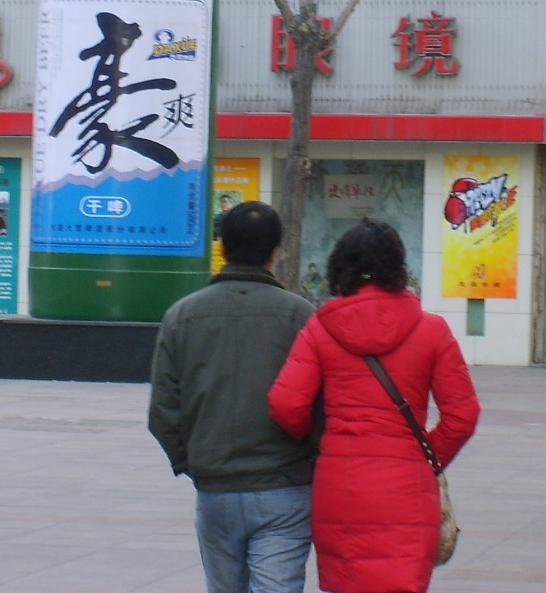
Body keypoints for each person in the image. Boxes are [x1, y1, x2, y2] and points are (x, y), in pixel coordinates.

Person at [269, 219, 479, 593]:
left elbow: (286, 403)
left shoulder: (320, 329)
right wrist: (427, 457)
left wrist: (320, 444)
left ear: (340, 266)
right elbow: (462, 415)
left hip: (341, 486)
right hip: (408, 487)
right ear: (398, 267)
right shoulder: (432, 330)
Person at [149, 201, 316, 593]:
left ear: (222, 246)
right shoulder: (301, 317)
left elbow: (163, 411)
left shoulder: (181, 316)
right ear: (276, 251)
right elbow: (323, 406)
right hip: (284, 487)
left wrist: (193, 463)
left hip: (215, 488)